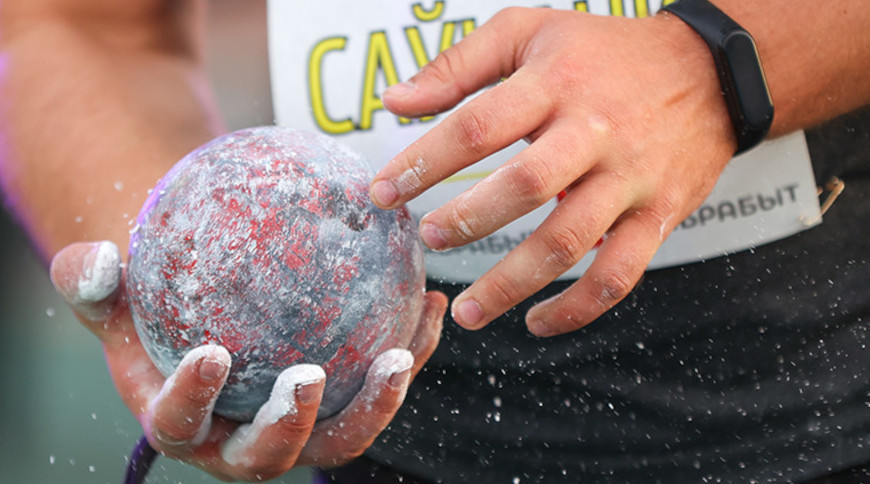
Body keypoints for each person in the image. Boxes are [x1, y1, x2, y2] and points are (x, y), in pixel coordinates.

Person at [1, 0, 868, 482]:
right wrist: (167, 278)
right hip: (390, 442)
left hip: (824, 424)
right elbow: (79, 24)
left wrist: (714, 67)